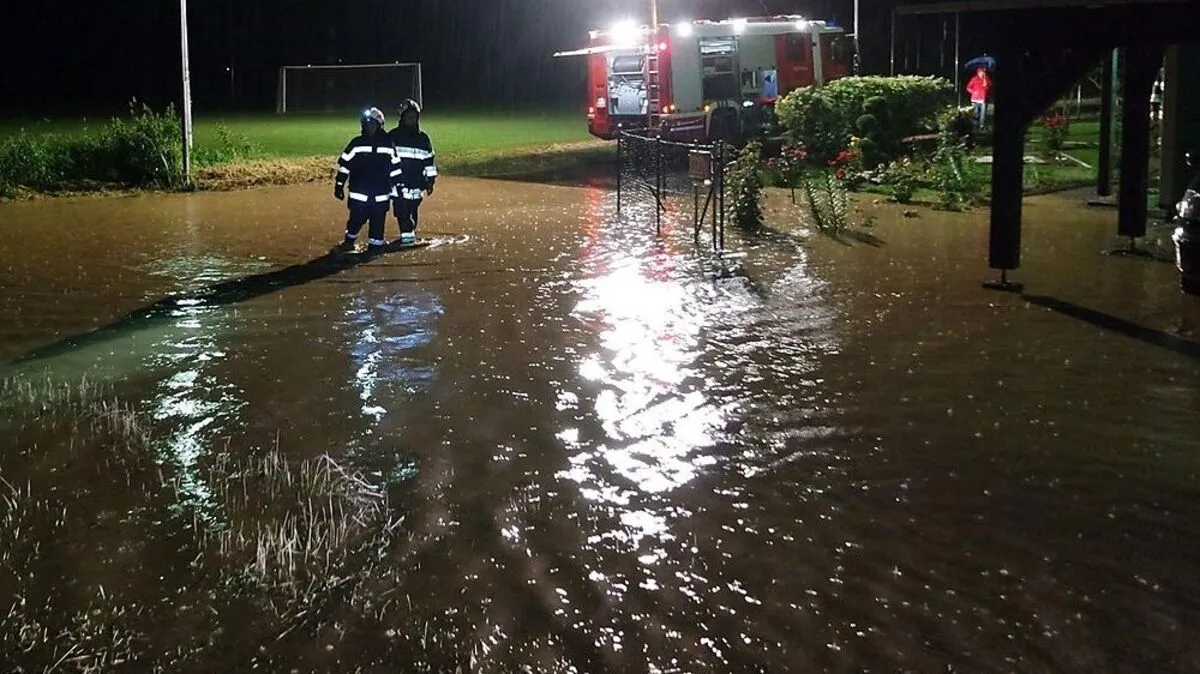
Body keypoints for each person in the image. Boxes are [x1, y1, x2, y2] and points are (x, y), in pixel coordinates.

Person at [335, 107, 397, 254]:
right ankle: (349, 242)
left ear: (379, 125)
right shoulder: (356, 143)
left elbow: (396, 167)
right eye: (366, 124)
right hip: (359, 195)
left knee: (377, 226)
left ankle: (374, 249)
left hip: (380, 196)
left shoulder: (388, 144)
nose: (369, 127)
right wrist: (339, 185)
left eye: (372, 124)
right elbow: (344, 166)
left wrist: (398, 186)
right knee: (356, 220)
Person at [388, 99, 437, 244]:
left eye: (414, 116)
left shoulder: (423, 139)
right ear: (402, 117)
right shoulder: (393, 137)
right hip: (398, 184)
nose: (412, 119)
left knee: (412, 210)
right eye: (409, 116)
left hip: (416, 184)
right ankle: (407, 238)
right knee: (402, 212)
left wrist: (430, 181)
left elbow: (429, 162)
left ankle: (408, 236)